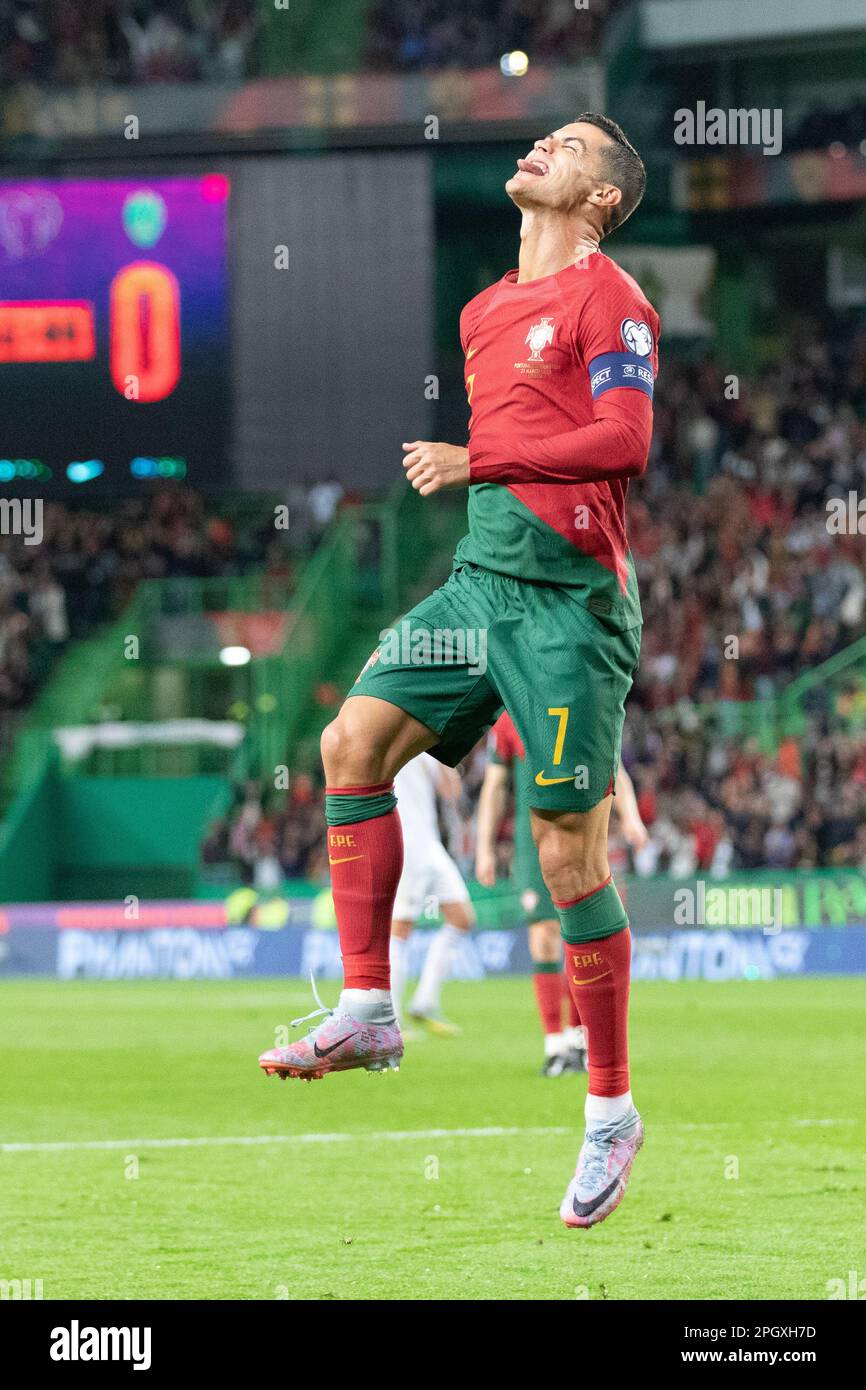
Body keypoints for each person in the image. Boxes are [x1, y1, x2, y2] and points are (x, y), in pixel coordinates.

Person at [260, 113, 659, 1229]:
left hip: (568, 609)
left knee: (565, 861)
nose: (541, 145)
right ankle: (369, 1004)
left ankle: (609, 1112)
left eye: (568, 144)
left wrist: (477, 456)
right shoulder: (484, 310)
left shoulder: (611, 300)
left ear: (600, 199)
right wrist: (484, 476)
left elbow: (622, 442)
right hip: (476, 589)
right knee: (349, 743)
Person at [388, 752, 474, 1036]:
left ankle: (424, 1001)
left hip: (430, 843)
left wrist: (449, 763)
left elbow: (451, 790)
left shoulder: (429, 749)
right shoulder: (407, 737)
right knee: (400, 928)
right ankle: (391, 1019)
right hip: (408, 843)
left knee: (462, 917)